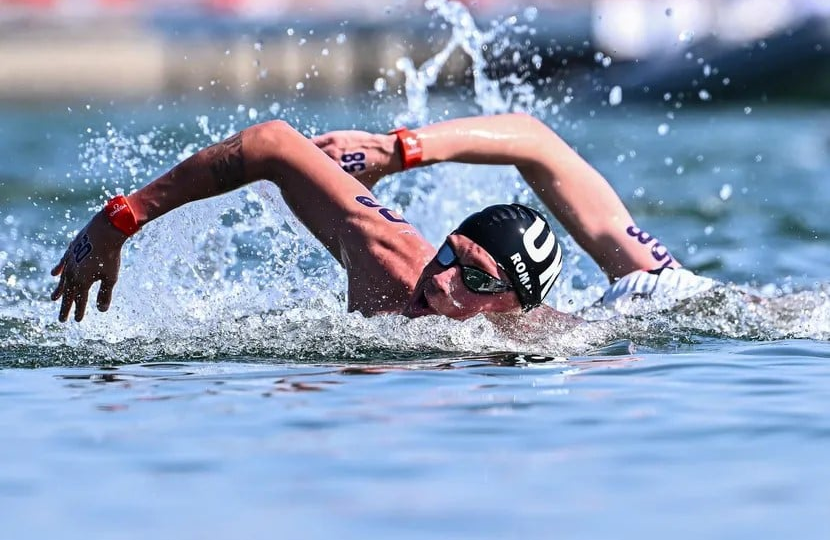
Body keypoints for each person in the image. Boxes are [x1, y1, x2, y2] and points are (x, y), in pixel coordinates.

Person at [51, 113, 712, 323]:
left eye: (477, 281)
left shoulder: (561, 343)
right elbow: (271, 144)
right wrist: (119, 221)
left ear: (512, 305)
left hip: (652, 300)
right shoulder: (392, 259)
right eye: (452, 255)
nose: (442, 282)